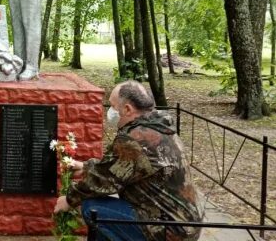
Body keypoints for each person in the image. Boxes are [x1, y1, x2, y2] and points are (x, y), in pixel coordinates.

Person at [54, 80, 204, 241]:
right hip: (184, 222)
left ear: (127, 109)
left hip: (169, 230)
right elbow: (121, 167)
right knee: (105, 215)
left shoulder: (136, 138)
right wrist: (85, 167)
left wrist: (69, 199)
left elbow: (104, 181)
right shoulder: (157, 126)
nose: (110, 111)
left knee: (93, 208)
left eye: (112, 106)